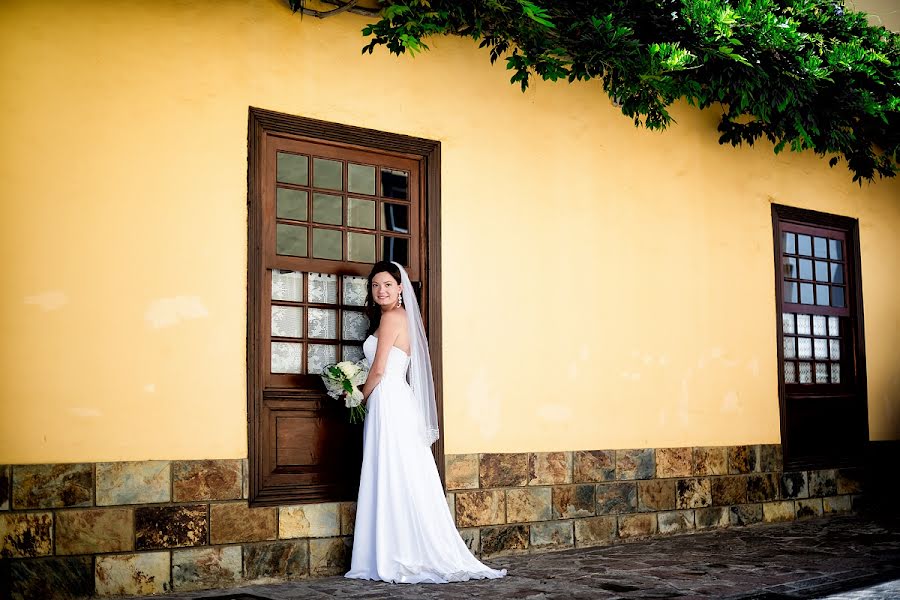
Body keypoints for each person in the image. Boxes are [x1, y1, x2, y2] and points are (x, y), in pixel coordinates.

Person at [345, 260, 508, 584]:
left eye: (388, 285)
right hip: (394, 399)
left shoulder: (392, 318)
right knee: (397, 472)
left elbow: (378, 370)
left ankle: (394, 553)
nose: (381, 291)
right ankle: (398, 548)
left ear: (401, 288)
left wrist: (357, 395)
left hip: (388, 400)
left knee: (390, 471)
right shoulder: (394, 318)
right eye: (376, 286)